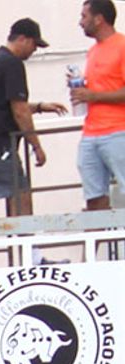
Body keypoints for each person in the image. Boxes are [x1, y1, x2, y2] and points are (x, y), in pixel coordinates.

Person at [0, 18, 64, 219]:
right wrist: (36, 146)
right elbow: (19, 110)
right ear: (23, 39)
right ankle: (30, 250)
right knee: (20, 192)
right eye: (34, 45)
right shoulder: (12, 64)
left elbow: (5, 105)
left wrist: (40, 107)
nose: (35, 50)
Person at [74, 1, 125, 211]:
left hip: (118, 130)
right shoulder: (92, 51)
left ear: (99, 18)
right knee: (93, 196)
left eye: (84, 16)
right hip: (91, 131)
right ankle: (93, 242)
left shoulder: (122, 46)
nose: (80, 22)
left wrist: (93, 95)